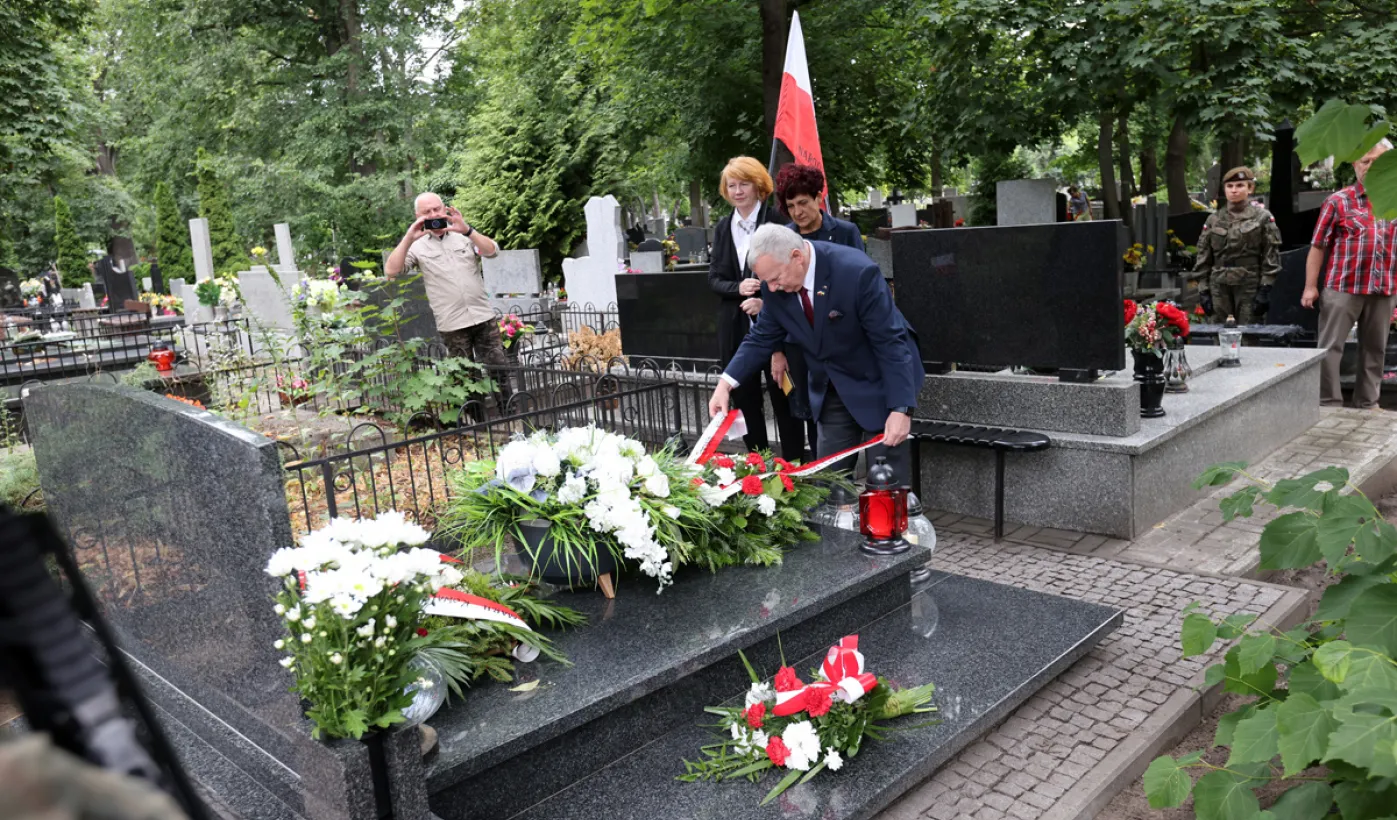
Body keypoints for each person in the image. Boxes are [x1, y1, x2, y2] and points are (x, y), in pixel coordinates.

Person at [708, 224, 924, 482]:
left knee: (887, 485)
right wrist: (725, 384)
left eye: (776, 279)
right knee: (828, 484)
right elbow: (761, 338)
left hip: (880, 383)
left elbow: (890, 342)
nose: (772, 288)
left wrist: (901, 408)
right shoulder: (775, 286)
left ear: (796, 257)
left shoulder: (856, 272)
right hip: (832, 386)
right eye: (767, 282)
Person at [707, 156, 804, 460]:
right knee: (746, 403)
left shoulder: (776, 220)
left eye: (744, 184)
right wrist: (737, 288)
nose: (737, 191)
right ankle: (759, 468)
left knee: (784, 400)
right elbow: (714, 279)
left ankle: (793, 467)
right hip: (737, 330)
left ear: (758, 185)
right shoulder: (723, 228)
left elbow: (790, 271)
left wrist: (763, 293)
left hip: (775, 330)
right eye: (731, 185)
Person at [773, 163, 866, 458]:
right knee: (810, 411)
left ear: (818, 198)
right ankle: (818, 471)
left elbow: (860, 281)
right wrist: (777, 351)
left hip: (838, 341)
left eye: (803, 203)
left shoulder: (845, 232)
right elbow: (776, 301)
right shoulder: (783, 239)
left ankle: (837, 468)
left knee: (837, 410)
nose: (798, 212)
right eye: (791, 206)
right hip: (799, 344)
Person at [384, 192, 510, 407]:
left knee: (499, 367)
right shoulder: (416, 245)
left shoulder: (464, 235)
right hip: (452, 323)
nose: (434, 214)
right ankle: (477, 421)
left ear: (445, 209)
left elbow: (492, 252)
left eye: (437, 209)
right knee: (465, 377)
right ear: (418, 216)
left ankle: (511, 413)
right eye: (427, 212)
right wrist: (408, 237)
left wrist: (468, 230)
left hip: (482, 316)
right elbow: (391, 271)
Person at [1302, 139, 1396, 409]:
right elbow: (1318, 246)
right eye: (1365, 161)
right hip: (1343, 288)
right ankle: (1328, 404)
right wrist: (1310, 286)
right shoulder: (1338, 201)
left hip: (1384, 288)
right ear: (1355, 164)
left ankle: (1368, 404)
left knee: (1375, 348)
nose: (1371, 166)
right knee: (1330, 348)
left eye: (1378, 161)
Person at [1191, 166, 1282, 323]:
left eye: (1240, 185)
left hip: (1249, 283)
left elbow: (1271, 255)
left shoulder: (1262, 217)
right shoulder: (1214, 219)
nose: (1234, 190)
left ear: (1250, 188)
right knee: (1218, 331)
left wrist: (1265, 289)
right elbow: (1203, 256)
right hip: (1219, 284)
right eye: (1230, 186)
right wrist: (1203, 290)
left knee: (1249, 331)